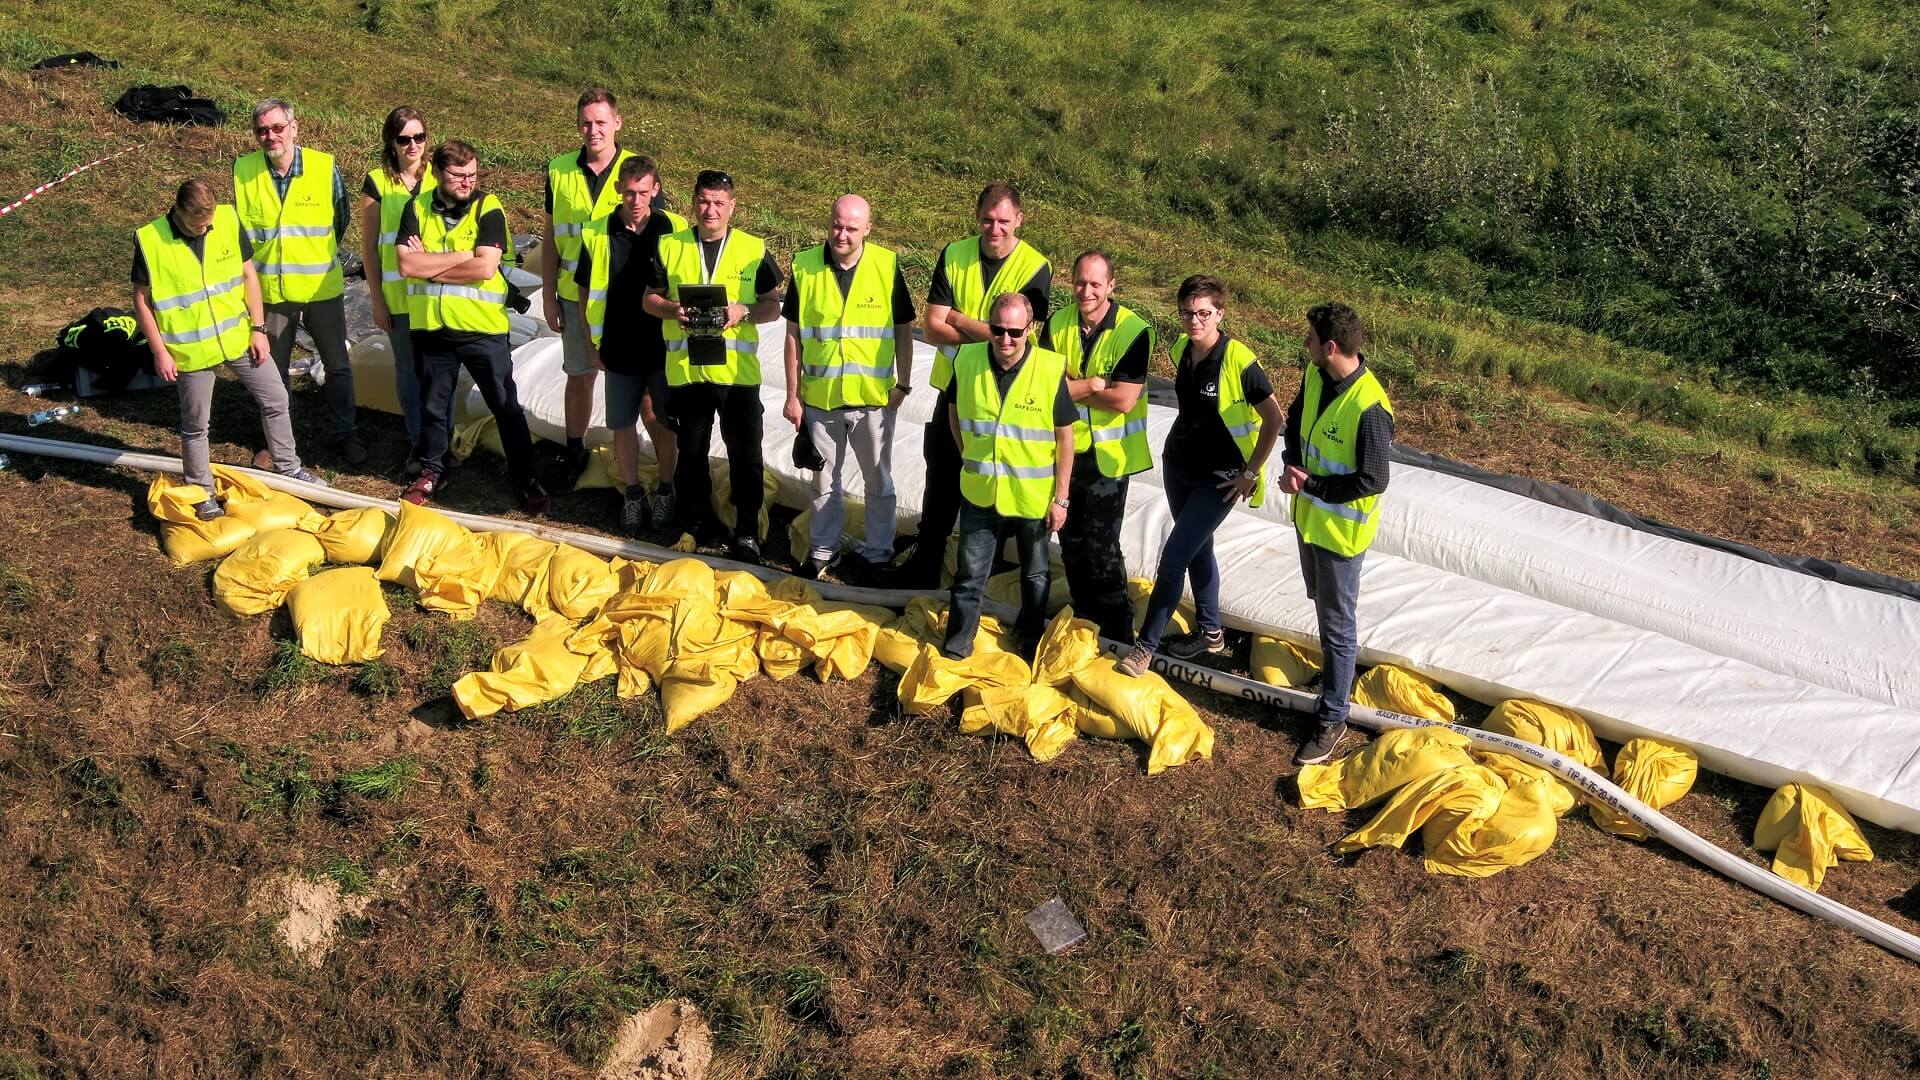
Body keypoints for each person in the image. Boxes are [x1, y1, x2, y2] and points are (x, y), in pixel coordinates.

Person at [1117, 275, 1282, 676]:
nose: (1195, 321)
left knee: (1174, 557)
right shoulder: (1181, 349)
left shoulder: (1240, 361)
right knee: (1198, 549)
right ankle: (1211, 634)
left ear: (1219, 314)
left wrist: (1249, 473)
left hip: (1220, 480)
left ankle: (1145, 648)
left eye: (1204, 313)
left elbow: (1275, 419)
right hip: (1179, 467)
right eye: (1187, 313)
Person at [130, 179, 325, 519]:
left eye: (208, 222)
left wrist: (259, 328)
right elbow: (142, 300)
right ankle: (201, 491)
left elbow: (249, 276)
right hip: (191, 351)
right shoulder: (150, 240)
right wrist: (159, 350)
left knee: (276, 399)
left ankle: (287, 468)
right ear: (177, 211)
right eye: (196, 224)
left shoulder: (227, 221)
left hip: (239, 338)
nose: (204, 228)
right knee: (195, 424)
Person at [902, 182, 1052, 587]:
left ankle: (981, 580)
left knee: (994, 488)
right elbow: (932, 327)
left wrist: (959, 319)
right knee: (941, 482)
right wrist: (987, 330)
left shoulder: (1036, 268)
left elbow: (1015, 341)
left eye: (1004, 220)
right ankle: (925, 566)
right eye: (987, 219)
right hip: (952, 390)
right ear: (976, 216)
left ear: (1019, 220)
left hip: (1003, 398)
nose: (995, 228)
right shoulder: (954, 254)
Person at [396, 140, 549, 515]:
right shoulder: (415, 208)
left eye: (473, 175)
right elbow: (405, 265)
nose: (467, 182)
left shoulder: (488, 207)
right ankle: (433, 470)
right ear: (437, 173)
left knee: (505, 406)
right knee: (433, 406)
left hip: (482, 331)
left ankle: (527, 478)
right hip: (433, 329)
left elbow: (484, 267)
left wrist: (431, 267)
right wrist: (462, 256)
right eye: (458, 175)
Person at [642, 169, 784, 563]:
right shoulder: (670, 246)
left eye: (719, 203)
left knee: (745, 455)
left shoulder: (753, 250)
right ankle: (696, 520)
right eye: (704, 201)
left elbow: (774, 307)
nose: (711, 210)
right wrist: (674, 309)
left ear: (732, 207)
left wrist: (744, 310)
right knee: (691, 451)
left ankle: (746, 532)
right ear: (693, 202)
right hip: (688, 372)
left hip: (736, 376)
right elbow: (649, 300)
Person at [1279, 302, 1395, 766]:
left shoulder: (1370, 408)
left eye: (1309, 338)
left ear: (1331, 347)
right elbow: (1294, 423)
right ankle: (1334, 679)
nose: (1303, 344)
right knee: (1323, 610)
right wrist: (1292, 463)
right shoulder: (1316, 375)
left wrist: (1314, 485)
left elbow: (1372, 480)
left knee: (1338, 625)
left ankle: (1333, 715)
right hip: (1309, 521)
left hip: (1340, 538)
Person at [781, 193, 916, 582]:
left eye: (851, 228)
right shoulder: (805, 267)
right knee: (823, 481)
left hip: (872, 403)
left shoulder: (886, 266)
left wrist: (903, 385)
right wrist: (792, 394)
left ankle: (877, 554)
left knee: (879, 481)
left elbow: (904, 329)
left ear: (867, 230)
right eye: (836, 225)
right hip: (821, 401)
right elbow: (793, 335)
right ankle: (824, 551)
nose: (842, 234)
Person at [939, 293, 1076, 660]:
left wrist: (1061, 497)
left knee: (1035, 575)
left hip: (1031, 496)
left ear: (1029, 329)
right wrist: (967, 453)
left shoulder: (1048, 369)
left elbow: (1066, 437)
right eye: (997, 330)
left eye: (1015, 332)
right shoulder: (967, 360)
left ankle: (1029, 641)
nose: (1005, 340)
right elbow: (954, 411)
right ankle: (957, 647)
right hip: (981, 489)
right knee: (969, 574)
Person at [232, 97, 364, 466]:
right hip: (270, 292)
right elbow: (242, 232)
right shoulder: (243, 171)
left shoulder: (324, 167)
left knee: (337, 365)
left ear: (293, 128)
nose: (270, 136)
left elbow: (341, 219)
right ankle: (274, 444)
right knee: (271, 372)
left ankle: (344, 434)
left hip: (320, 289)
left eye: (277, 128)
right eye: (262, 130)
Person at [1040, 250, 1154, 643]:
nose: (1085, 291)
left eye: (1094, 284)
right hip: (1066, 449)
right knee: (1069, 541)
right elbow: (1040, 387)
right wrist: (1092, 385)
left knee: (1102, 548)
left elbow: (1123, 399)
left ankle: (1119, 631)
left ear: (1111, 286)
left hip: (1108, 459)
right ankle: (1085, 621)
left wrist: (1069, 387)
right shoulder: (1057, 323)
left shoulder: (1133, 330)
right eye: (1079, 282)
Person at [576, 155, 687, 536]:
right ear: (619, 191)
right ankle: (634, 494)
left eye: (643, 192)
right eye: (628, 192)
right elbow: (583, 289)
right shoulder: (597, 232)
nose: (636, 200)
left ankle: (668, 489)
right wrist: (593, 346)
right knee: (622, 423)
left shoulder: (674, 229)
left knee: (663, 420)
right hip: (618, 345)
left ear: (655, 190)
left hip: (663, 346)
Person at [542, 88, 636, 491]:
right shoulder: (559, 170)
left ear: (617, 122)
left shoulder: (636, 169)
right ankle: (574, 448)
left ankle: (626, 456)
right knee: (579, 375)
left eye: (601, 122)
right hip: (571, 293)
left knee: (626, 379)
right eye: (586, 122)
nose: (592, 130)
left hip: (622, 302)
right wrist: (548, 295)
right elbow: (549, 236)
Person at [357, 105, 436, 474]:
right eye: (404, 139)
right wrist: (376, 300)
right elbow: (370, 247)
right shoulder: (377, 183)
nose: (412, 146)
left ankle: (440, 441)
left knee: (437, 371)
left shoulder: (441, 177)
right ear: (391, 142)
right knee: (408, 371)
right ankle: (418, 443)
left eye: (419, 137)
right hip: (399, 297)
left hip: (438, 297)